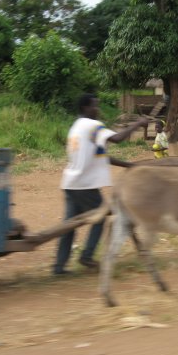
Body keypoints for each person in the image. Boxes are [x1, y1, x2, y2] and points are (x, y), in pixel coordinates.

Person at [53, 93, 148, 275]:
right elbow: (118, 139)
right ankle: (87, 256)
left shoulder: (77, 126)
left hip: (71, 183)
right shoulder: (93, 126)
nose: (98, 109)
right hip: (84, 185)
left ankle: (59, 266)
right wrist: (138, 124)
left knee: (70, 225)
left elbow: (101, 155)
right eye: (94, 105)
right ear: (85, 108)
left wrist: (129, 165)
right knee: (100, 217)